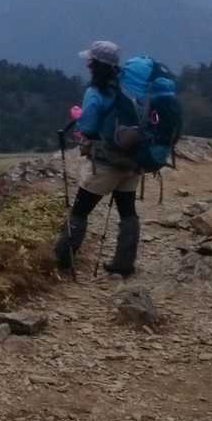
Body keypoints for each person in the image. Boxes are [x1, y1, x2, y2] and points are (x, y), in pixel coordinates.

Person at [53, 40, 143, 277]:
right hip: (133, 161)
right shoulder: (129, 88)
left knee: (80, 210)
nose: (87, 64)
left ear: (96, 65)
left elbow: (88, 128)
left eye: (90, 61)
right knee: (128, 210)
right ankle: (125, 263)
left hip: (106, 162)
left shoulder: (95, 92)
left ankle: (63, 259)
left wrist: (78, 117)